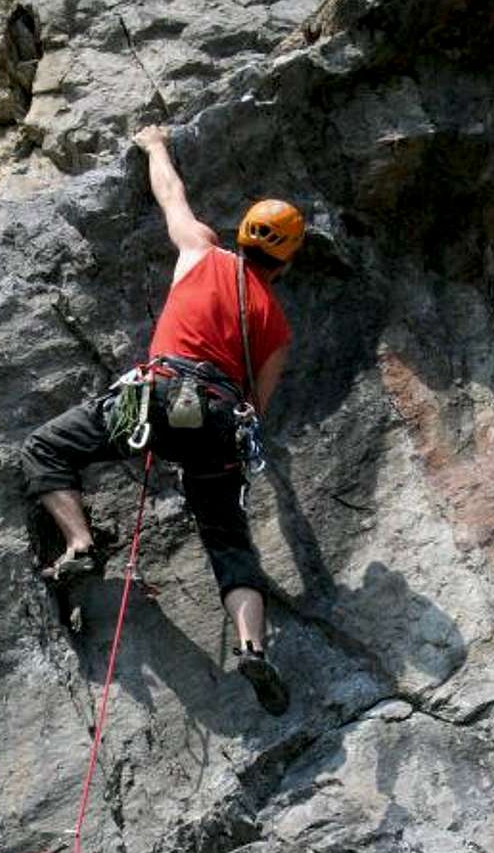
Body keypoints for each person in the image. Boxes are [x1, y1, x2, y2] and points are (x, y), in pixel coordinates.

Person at [20, 123, 304, 716]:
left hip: (158, 396)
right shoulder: (277, 328)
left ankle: (80, 542)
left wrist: (154, 145)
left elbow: (169, 194)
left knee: (47, 448)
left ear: (243, 234)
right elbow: (258, 404)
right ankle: (252, 646)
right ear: (285, 259)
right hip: (221, 422)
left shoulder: (201, 250)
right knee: (230, 542)